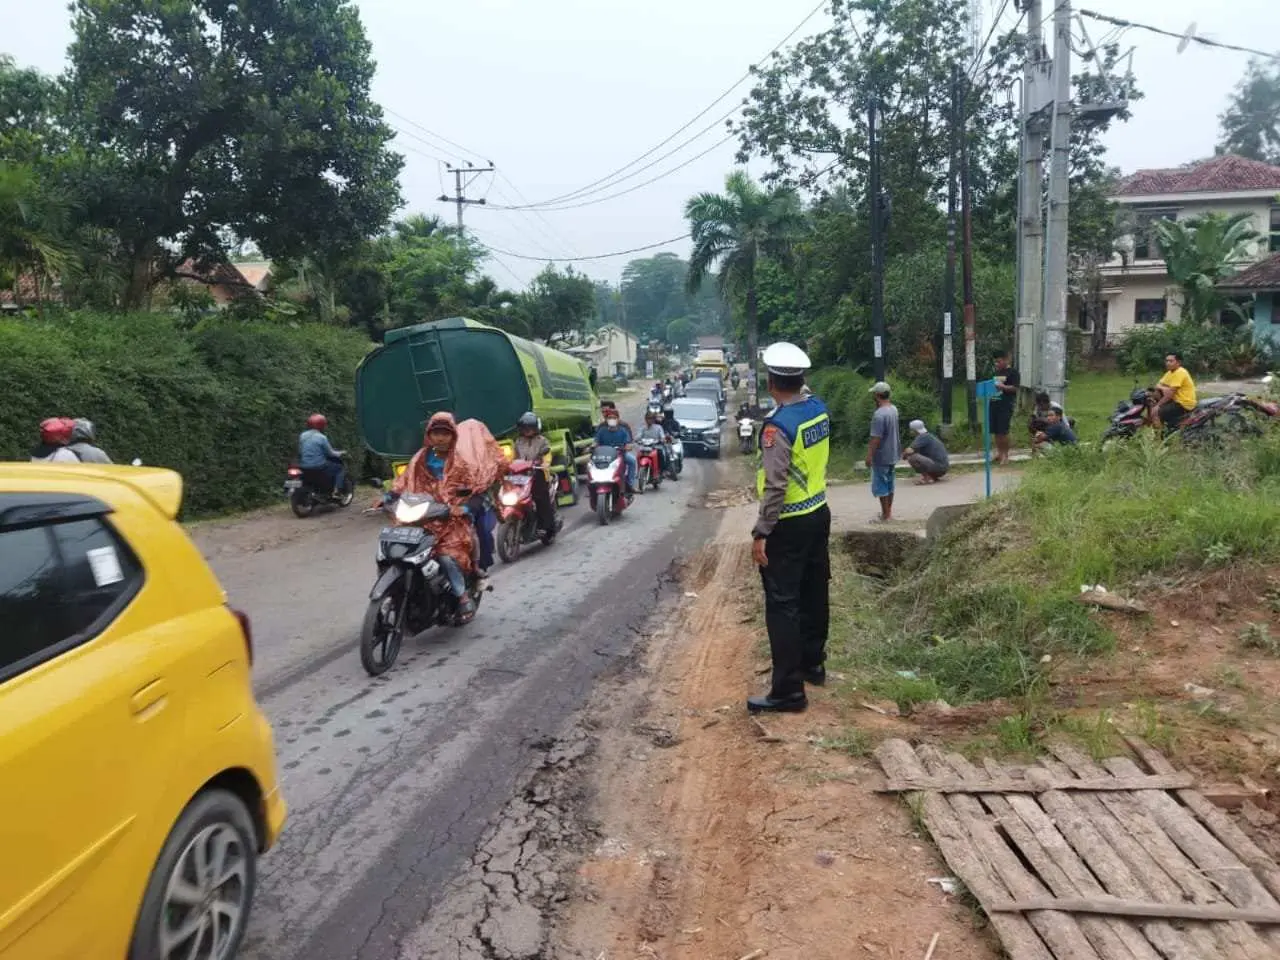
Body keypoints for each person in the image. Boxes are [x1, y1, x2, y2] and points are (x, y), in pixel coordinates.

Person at [750, 341, 831, 715]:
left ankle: (788, 691)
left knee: (782, 604)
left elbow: (775, 486)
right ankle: (813, 665)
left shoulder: (777, 427)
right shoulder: (817, 410)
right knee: (815, 590)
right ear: (802, 379)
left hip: (788, 522)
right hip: (818, 511)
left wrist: (761, 531)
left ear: (770, 383)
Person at [392, 412, 507, 623]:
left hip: (451, 519)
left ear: (453, 435)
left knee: (446, 556)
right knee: (396, 547)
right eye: (436, 433)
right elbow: (403, 482)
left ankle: (462, 596)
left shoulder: (461, 463)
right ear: (429, 435)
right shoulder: (419, 458)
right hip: (421, 515)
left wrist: (464, 508)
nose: (440, 438)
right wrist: (387, 497)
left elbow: (476, 491)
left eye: (445, 433)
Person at [513, 411, 556, 541]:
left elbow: (547, 455)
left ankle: (546, 527)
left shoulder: (542, 441)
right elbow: (514, 458)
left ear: (535, 428)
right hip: (521, 475)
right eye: (525, 428)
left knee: (541, 499)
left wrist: (544, 464)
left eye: (530, 428)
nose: (527, 431)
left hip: (538, 474)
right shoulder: (518, 442)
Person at [866, 382, 899, 523]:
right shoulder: (893, 409)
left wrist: (869, 456)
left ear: (877, 395)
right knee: (890, 483)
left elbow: (876, 438)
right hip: (893, 452)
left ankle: (886, 516)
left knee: (881, 484)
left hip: (881, 455)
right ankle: (888, 513)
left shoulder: (879, 415)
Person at [298, 413, 346, 495]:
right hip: (319, 466)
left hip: (303, 466)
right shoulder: (322, 437)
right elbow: (330, 453)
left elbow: (300, 451)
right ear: (322, 425)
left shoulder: (302, 435)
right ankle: (337, 491)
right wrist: (340, 453)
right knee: (339, 468)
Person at [594, 406, 638, 493]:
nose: (612, 420)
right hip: (604, 455)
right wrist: (592, 446)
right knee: (591, 465)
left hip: (620, 454)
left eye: (614, 418)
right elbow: (596, 442)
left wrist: (627, 447)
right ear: (607, 419)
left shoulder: (623, 430)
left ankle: (630, 485)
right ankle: (593, 487)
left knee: (632, 461)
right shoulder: (602, 430)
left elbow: (628, 443)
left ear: (618, 419)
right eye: (610, 418)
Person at [991, 348, 1020, 465]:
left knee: (1003, 431)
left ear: (1006, 360)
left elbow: (1015, 388)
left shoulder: (1013, 372)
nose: (996, 364)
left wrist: (1003, 387)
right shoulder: (996, 373)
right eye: (995, 362)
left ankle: (1005, 455)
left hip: (1005, 405)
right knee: (996, 431)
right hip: (994, 403)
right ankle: (999, 453)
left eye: (999, 361)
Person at [1155, 352, 1197, 431]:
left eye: (1171, 361)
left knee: (1158, 412)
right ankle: (1170, 426)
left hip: (1184, 403)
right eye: (1166, 361)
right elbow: (1157, 385)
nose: (1168, 363)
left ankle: (1163, 434)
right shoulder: (1170, 372)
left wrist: (1158, 406)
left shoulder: (1180, 372)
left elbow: (1170, 394)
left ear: (1178, 362)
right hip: (1176, 400)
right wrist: (1164, 388)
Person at [904, 420, 949, 484]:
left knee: (912, 457)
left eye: (911, 430)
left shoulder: (922, 436)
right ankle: (932, 477)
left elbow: (909, 451)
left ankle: (927, 478)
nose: (910, 431)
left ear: (914, 430)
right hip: (942, 468)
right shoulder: (928, 436)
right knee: (915, 455)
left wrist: (904, 454)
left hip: (938, 467)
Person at [636, 411, 668, 475]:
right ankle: (638, 471)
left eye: (651, 418)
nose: (649, 420)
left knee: (660, 454)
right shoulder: (642, 428)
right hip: (644, 447)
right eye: (648, 418)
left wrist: (662, 439)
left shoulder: (658, 427)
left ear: (653, 419)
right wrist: (637, 439)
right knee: (638, 454)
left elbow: (662, 436)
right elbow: (638, 436)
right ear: (645, 419)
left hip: (656, 447)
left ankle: (661, 471)